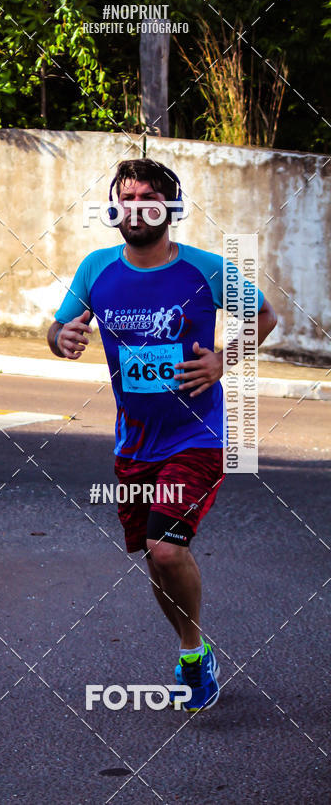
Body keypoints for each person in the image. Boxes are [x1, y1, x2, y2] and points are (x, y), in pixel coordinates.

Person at [47, 158, 277, 712]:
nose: (135, 208)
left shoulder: (206, 269)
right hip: (133, 443)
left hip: (196, 436)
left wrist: (223, 360)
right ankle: (191, 647)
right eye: (124, 199)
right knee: (155, 561)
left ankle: (194, 656)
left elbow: (265, 316)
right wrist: (64, 337)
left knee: (165, 548)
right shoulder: (96, 269)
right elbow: (57, 328)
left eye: (147, 197)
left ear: (170, 207)